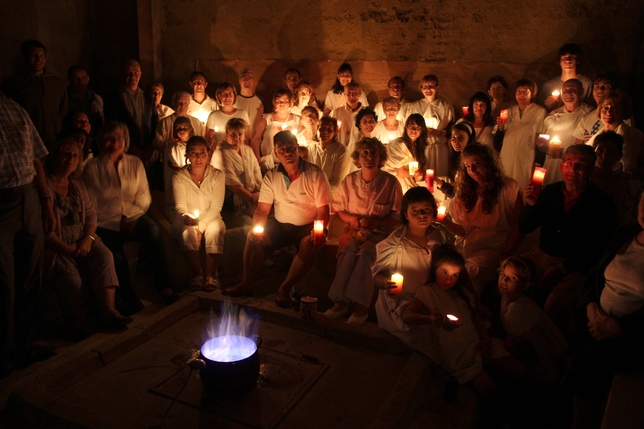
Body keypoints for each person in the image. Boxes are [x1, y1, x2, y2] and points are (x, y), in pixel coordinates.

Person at [222, 131, 333, 306]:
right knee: (253, 238)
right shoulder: (272, 176)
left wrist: (318, 230)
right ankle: (246, 283)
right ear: (275, 151)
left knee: (309, 244)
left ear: (297, 148)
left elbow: (323, 211)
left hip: (307, 225)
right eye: (282, 149)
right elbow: (262, 210)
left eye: (291, 148)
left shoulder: (315, 174)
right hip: (281, 224)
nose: (287, 153)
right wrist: (257, 228)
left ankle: (284, 289)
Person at [82, 122, 178, 314]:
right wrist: (116, 222)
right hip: (105, 221)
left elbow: (144, 195)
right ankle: (128, 297)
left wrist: (133, 217)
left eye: (119, 138)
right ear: (101, 142)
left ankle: (163, 286)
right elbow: (90, 204)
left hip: (133, 215)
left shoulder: (135, 162)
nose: (115, 142)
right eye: (110, 138)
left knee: (153, 232)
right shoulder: (92, 168)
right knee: (116, 256)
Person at [567, 191, 644, 429]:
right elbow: (596, 274)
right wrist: (590, 305)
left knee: (595, 370)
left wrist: (620, 327)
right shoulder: (627, 234)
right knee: (585, 373)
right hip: (596, 323)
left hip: (631, 337)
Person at [520, 145, 617, 332]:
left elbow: (599, 249)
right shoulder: (550, 191)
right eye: (569, 163)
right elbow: (525, 227)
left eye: (580, 165)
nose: (573, 170)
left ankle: (552, 346)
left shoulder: (602, 203)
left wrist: (563, 268)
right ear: (561, 166)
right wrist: (531, 205)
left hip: (576, 264)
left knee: (553, 306)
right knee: (510, 277)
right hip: (542, 254)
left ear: (590, 169)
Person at [403, 245, 523, 396]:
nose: (449, 280)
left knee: (518, 371)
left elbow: (475, 320)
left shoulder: (461, 293)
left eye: (455, 275)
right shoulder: (428, 292)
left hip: (479, 341)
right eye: (444, 273)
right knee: (488, 387)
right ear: (435, 269)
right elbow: (407, 315)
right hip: (459, 351)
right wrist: (429, 318)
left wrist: (485, 341)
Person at [44, 139, 132, 338]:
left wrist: (87, 238)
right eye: (66, 154)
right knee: (70, 279)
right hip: (58, 246)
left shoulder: (77, 183)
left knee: (105, 256)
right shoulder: (45, 187)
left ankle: (108, 310)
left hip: (84, 239)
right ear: (55, 155)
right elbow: (45, 230)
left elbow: (91, 214)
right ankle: (76, 321)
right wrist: (67, 249)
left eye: (75, 155)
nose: (70, 159)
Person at [0, 98, 55, 378]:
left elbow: (35, 156)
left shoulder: (14, 107)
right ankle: (6, 357)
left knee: (31, 275)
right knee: (4, 283)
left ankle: (24, 345)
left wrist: (45, 200)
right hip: (1, 201)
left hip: (28, 196)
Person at [324, 138, 402, 324]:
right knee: (348, 251)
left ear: (380, 157)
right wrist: (352, 219)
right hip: (355, 229)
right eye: (364, 153)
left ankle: (361, 307)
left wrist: (375, 223)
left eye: (373, 153)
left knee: (366, 254)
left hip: (382, 232)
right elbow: (338, 208)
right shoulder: (350, 180)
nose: (369, 157)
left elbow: (397, 217)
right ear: (358, 158)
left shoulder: (391, 182)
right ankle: (340, 302)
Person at [372, 188, 452, 353]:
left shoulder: (440, 236)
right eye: (415, 211)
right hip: (402, 301)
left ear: (434, 212)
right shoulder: (395, 244)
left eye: (426, 210)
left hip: (432, 297)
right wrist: (387, 284)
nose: (422, 215)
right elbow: (376, 276)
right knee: (423, 337)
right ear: (406, 214)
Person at [441, 143, 524, 295]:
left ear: (488, 163)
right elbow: (463, 230)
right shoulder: (467, 191)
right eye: (467, 166)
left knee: (463, 272)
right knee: (463, 284)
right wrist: (444, 221)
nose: (472, 171)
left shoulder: (509, 188)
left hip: (495, 249)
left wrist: (507, 253)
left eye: (476, 164)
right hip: (469, 248)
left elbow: (521, 225)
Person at [497, 257, 567, 384]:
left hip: (543, 362)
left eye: (513, 278)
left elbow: (531, 348)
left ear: (526, 285)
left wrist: (511, 344)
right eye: (503, 275)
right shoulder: (505, 298)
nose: (504, 280)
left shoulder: (518, 309)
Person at [172, 136, 226, 291]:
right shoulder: (179, 177)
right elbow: (180, 207)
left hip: (212, 217)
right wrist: (187, 218)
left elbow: (216, 207)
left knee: (215, 229)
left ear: (208, 154)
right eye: (193, 153)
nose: (198, 157)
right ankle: (197, 273)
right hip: (186, 219)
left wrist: (201, 227)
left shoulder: (217, 175)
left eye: (202, 152)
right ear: (187, 155)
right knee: (186, 232)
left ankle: (210, 275)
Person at [1, 39, 68, 145]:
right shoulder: (12, 83)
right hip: (25, 140)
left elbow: (64, 113)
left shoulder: (57, 84)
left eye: (42, 55)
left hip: (54, 140)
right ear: (25, 57)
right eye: (34, 55)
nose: (38, 59)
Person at [496, 79, 547, 189]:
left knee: (523, 185)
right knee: (505, 184)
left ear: (532, 94)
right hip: (507, 155)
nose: (521, 95)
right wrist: (500, 127)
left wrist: (538, 162)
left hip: (526, 155)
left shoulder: (539, 112)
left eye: (525, 92)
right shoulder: (509, 111)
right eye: (519, 92)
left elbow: (541, 138)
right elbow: (499, 137)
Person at [541, 79, 592, 185]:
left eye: (573, 89)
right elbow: (545, 144)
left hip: (573, 167)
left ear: (581, 91)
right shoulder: (552, 115)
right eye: (565, 90)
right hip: (552, 164)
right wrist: (542, 145)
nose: (568, 93)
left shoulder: (589, 114)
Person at [211, 118, 262, 221]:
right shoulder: (221, 152)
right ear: (226, 134)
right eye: (233, 135)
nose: (237, 138)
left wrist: (257, 192)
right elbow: (232, 183)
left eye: (240, 134)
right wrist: (252, 198)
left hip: (252, 194)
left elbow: (256, 171)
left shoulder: (247, 150)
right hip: (231, 198)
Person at [586, 91, 644, 175]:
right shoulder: (597, 137)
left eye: (615, 108)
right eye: (605, 107)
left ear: (624, 112)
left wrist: (628, 174)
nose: (609, 112)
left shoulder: (636, 135)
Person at [104, 59, 147, 158]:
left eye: (136, 73)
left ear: (140, 74)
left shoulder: (147, 97)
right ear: (122, 74)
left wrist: (151, 147)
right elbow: (112, 124)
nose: (133, 76)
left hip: (147, 152)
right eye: (129, 73)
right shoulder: (113, 97)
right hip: (125, 151)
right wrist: (132, 147)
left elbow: (154, 123)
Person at [253, 89, 300, 171]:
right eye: (278, 101)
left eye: (285, 101)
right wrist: (258, 158)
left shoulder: (297, 120)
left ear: (290, 103)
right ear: (274, 103)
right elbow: (256, 138)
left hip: (293, 165)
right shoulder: (267, 119)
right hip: (270, 165)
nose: (282, 103)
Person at [382, 113, 428, 195]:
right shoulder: (398, 145)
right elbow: (400, 172)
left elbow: (414, 172)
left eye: (417, 128)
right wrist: (415, 174)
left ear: (422, 130)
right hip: (394, 183)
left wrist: (419, 175)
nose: (414, 130)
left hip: (408, 182)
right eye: (411, 127)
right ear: (406, 128)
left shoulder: (417, 146)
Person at [153, 91, 204, 160]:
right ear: (174, 104)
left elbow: (201, 142)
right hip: (171, 159)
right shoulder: (165, 122)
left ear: (189, 104)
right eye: (180, 103)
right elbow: (157, 143)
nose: (183, 105)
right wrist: (172, 144)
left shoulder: (196, 122)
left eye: (185, 103)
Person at [540, 44, 592, 111]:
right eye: (564, 57)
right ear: (559, 61)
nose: (568, 61)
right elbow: (540, 110)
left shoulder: (586, 83)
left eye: (572, 57)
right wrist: (547, 106)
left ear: (578, 60)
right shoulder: (548, 86)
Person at [306, 116, 350, 194]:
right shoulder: (310, 149)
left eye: (329, 129)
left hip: (332, 198)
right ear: (317, 130)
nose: (325, 132)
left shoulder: (340, 151)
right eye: (322, 128)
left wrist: (317, 192)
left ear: (335, 133)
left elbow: (338, 183)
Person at [591, 131, 627, 226]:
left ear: (619, 156)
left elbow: (619, 214)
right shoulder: (585, 175)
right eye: (600, 151)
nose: (604, 156)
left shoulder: (617, 180)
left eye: (611, 151)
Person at [435, 121, 477, 199]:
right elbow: (457, 192)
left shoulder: (472, 163)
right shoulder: (458, 158)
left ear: (469, 139)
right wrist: (439, 183)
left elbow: (463, 195)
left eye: (461, 137)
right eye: (453, 137)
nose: (455, 141)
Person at [573, 73, 619, 143]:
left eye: (606, 86)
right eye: (597, 86)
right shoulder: (585, 118)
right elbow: (577, 146)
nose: (600, 90)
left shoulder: (620, 117)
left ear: (614, 90)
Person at [164, 116, 194, 219]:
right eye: (178, 128)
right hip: (180, 180)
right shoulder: (173, 147)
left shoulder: (195, 145)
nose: (181, 130)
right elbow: (171, 164)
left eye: (184, 127)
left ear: (190, 129)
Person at [408, 74, 454, 141]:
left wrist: (438, 132)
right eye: (425, 86)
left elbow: (451, 129)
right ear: (421, 89)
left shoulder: (446, 106)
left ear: (437, 88)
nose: (428, 89)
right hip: (420, 143)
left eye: (431, 86)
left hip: (438, 144)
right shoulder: (414, 106)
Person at [206, 82, 250, 150]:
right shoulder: (213, 116)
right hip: (221, 153)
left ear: (234, 96)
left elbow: (247, 138)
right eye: (224, 94)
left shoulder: (242, 114)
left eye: (230, 94)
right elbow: (207, 141)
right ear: (219, 96)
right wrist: (210, 136)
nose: (227, 97)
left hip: (240, 153)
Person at [66, 65, 104, 133]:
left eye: (83, 78)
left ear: (88, 79)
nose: (80, 81)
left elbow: (101, 120)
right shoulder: (64, 98)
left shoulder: (95, 99)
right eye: (76, 78)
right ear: (70, 79)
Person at [330, 81, 366, 147]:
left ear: (360, 94)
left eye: (355, 93)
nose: (352, 96)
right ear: (344, 94)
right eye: (349, 93)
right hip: (340, 149)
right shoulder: (336, 112)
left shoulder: (366, 113)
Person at [235, 68, 264, 138]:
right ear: (239, 81)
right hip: (237, 139)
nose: (247, 80)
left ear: (254, 81)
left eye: (250, 78)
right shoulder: (233, 100)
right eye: (244, 78)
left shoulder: (260, 102)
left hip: (254, 141)